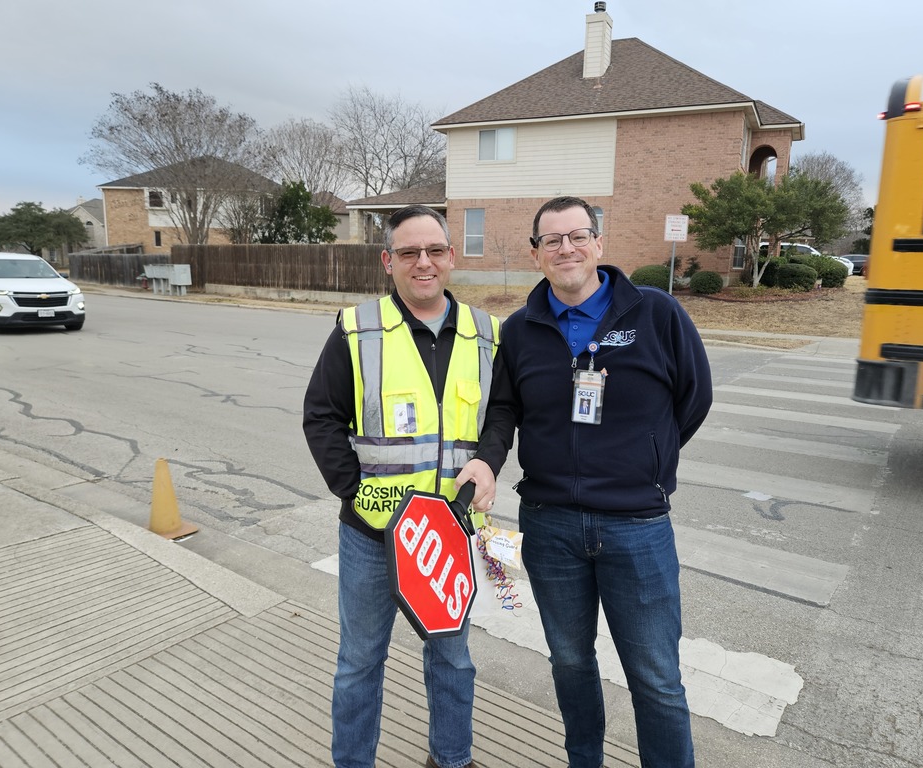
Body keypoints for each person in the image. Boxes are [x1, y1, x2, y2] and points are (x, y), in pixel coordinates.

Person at [460, 196, 713, 767]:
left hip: (637, 526)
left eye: (577, 236)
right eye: (552, 240)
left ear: (598, 242)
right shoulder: (520, 330)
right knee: (570, 663)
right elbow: (504, 409)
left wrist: (648, 458)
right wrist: (487, 461)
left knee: (655, 676)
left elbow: (694, 398)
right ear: (536, 254)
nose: (566, 248)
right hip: (550, 526)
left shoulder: (656, 313)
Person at [303, 205, 502, 768]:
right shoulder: (357, 329)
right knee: (360, 662)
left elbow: (502, 413)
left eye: (434, 250)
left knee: (453, 661)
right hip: (373, 536)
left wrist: (489, 460)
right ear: (388, 261)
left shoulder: (486, 334)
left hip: (448, 537)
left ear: (451, 257)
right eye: (409, 252)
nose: (424, 262)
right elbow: (321, 417)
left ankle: (451, 759)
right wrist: (355, 493)